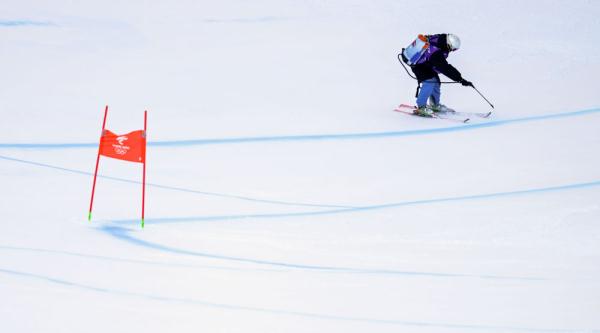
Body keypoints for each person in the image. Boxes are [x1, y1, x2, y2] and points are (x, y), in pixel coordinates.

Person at [405, 33, 473, 117]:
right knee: (429, 82)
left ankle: (434, 105)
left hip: (425, 63)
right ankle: (421, 107)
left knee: (436, 82)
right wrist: (460, 79)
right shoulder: (436, 53)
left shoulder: (441, 39)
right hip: (418, 65)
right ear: (449, 45)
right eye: (453, 49)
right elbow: (445, 68)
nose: (452, 50)